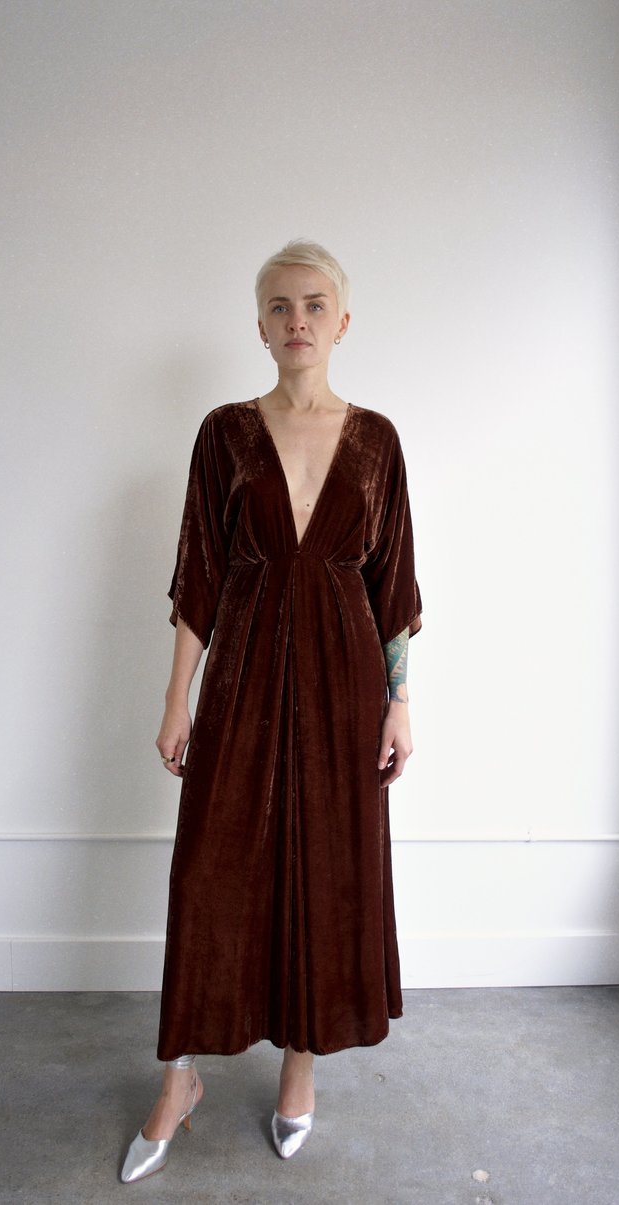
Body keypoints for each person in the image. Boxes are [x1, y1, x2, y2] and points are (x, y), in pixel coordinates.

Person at [121, 239, 422, 1183]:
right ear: (259, 326)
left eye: (315, 304)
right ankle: (180, 1075)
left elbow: (392, 584)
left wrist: (400, 702)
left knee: (327, 870)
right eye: (281, 306)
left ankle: (301, 1062)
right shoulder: (224, 434)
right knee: (210, 871)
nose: (299, 320)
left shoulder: (376, 441)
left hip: (344, 685)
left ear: (342, 322)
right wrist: (176, 697)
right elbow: (199, 576)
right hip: (242, 676)